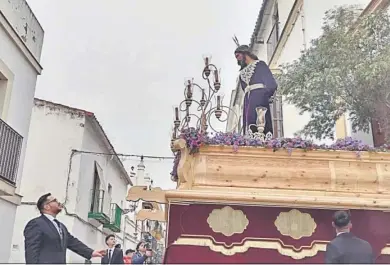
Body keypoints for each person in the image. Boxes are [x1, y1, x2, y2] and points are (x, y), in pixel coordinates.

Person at [24, 193, 105, 263]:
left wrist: (91, 252)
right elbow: (31, 252)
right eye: (55, 200)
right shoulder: (36, 224)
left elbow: (72, 242)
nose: (59, 202)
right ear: (46, 206)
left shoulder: (61, 226)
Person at [234, 44, 278, 136]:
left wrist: (264, 96)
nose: (237, 59)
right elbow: (244, 89)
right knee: (250, 125)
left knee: (261, 122)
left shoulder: (260, 65)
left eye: (238, 56)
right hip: (248, 101)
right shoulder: (241, 74)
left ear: (244, 53)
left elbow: (271, 84)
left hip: (259, 98)